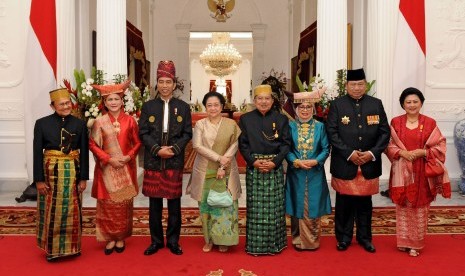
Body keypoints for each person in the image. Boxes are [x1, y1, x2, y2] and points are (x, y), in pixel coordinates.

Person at [326, 68, 390, 253]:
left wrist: (371, 153)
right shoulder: (337, 105)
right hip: (345, 162)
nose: (356, 88)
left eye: (360, 84)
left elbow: (384, 133)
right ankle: (343, 238)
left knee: (365, 204)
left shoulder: (376, 104)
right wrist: (349, 153)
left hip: (369, 163)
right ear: (346, 86)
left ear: (365, 85)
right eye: (353, 84)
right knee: (344, 204)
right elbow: (332, 132)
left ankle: (365, 238)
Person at [385, 87, 450, 257]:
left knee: (420, 207)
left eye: (415, 101)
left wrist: (423, 152)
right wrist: (402, 153)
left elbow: (440, 146)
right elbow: (388, 145)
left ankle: (415, 244)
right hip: (401, 171)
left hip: (423, 172)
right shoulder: (395, 122)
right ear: (402, 104)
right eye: (408, 102)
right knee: (404, 206)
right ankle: (404, 241)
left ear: (421, 103)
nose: (412, 105)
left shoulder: (430, 123)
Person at [139, 60, 192, 256]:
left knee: (174, 204)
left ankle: (173, 241)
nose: (164, 85)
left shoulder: (183, 107)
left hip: (174, 160)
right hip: (154, 160)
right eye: (161, 81)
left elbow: (187, 133)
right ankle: (155, 241)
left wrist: (175, 149)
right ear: (157, 83)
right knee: (154, 205)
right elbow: (143, 132)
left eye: (168, 82)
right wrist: (156, 149)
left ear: (174, 84)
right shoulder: (148, 106)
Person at [33, 88, 89, 262]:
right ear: (52, 106)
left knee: (73, 209)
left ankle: (73, 247)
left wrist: (83, 178)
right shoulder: (41, 124)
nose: (66, 106)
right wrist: (39, 180)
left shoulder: (79, 124)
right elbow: (37, 153)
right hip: (50, 173)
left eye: (68, 103)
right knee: (52, 211)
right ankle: (53, 249)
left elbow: (84, 152)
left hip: (73, 171)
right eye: (61, 104)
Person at [89, 80, 141, 255]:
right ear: (104, 102)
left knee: (123, 205)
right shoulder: (99, 122)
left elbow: (138, 142)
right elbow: (93, 145)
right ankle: (109, 238)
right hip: (106, 170)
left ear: (122, 100)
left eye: (116, 99)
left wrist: (129, 156)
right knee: (108, 205)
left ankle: (120, 238)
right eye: (109, 100)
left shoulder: (131, 121)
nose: (113, 102)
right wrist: (108, 159)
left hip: (126, 168)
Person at [238, 84, 291, 255]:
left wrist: (275, 162)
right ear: (254, 101)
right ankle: (256, 245)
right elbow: (243, 144)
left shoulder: (281, 119)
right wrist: (253, 161)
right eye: (260, 98)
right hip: (255, 167)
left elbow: (286, 144)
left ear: (272, 100)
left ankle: (275, 244)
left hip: (274, 167)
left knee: (275, 207)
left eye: (267, 98)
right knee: (255, 208)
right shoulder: (245, 119)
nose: (263, 102)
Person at [186, 92, 241, 253]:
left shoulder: (231, 124)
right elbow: (197, 146)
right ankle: (209, 239)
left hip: (227, 169)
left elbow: (235, 145)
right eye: (209, 105)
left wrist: (223, 164)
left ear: (222, 106)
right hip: (204, 170)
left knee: (225, 205)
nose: (213, 108)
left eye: (216, 105)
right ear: (205, 107)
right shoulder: (201, 124)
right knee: (206, 206)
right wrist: (219, 158)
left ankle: (224, 239)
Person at [285, 90, 331, 251]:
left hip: (315, 173)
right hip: (296, 173)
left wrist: (315, 161)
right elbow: (286, 148)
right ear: (296, 109)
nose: (305, 110)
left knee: (313, 204)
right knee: (296, 203)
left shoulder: (320, 127)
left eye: (308, 107)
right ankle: (297, 238)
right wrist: (295, 161)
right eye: (301, 107)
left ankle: (311, 240)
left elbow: (326, 149)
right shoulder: (290, 126)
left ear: (313, 109)